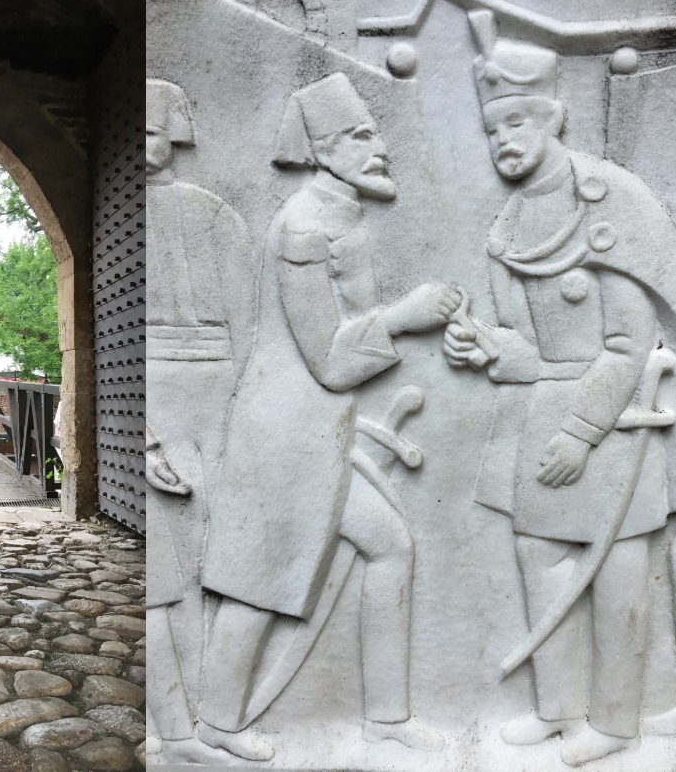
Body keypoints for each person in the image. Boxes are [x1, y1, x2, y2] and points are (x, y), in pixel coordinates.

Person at [444, 16, 676, 767]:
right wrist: (484, 345)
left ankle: (617, 725)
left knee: (618, 580)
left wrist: (581, 433)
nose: (504, 140)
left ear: (552, 119)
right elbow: (529, 351)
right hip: (533, 420)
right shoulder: (508, 225)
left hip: (611, 424)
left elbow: (627, 342)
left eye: (517, 121)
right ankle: (558, 711)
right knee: (540, 565)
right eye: (493, 129)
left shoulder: (608, 200)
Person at [195, 72, 456, 761]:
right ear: (323, 150)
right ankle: (213, 730)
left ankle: (387, 718)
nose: (381, 148)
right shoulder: (303, 228)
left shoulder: (342, 215)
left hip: (324, 432)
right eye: (361, 137)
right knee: (257, 583)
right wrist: (407, 317)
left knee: (391, 548)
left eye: (375, 133)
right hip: (285, 433)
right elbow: (332, 362)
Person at [146, 77, 256, 762]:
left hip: (215, 387)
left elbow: (246, 321)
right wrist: (148, 434)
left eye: (155, 130)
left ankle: (213, 714)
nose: (145, 145)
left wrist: (245, 409)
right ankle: (174, 729)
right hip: (157, 391)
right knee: (164, 573)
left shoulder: (215, 214)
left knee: (218, 559)